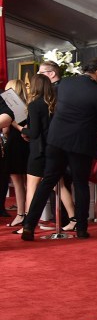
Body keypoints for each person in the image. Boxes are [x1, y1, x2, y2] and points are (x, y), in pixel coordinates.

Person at [20, 57, 97, 241]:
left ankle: (29, 225)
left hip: (56, 140)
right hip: (80, 144)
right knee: (80, 184)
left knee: (47, 182)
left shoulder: (65, 84)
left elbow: (53, 107)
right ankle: (81, 229)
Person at [18, 74, 78, 234]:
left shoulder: (34, 105)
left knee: (31, 187)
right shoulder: (55, 104)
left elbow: (35, 131)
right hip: (55, 149)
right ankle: (74, 219)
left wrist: (20, 129)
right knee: (61, 186)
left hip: (38, 151)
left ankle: (28, 223)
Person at [3, 79, 29, 228]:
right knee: (29, 182)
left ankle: (20, 214)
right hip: (27, 145)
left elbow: (6, 130)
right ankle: (29, 212)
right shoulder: (28, 105)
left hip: (14, 145)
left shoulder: (10, 107)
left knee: (18, 183)